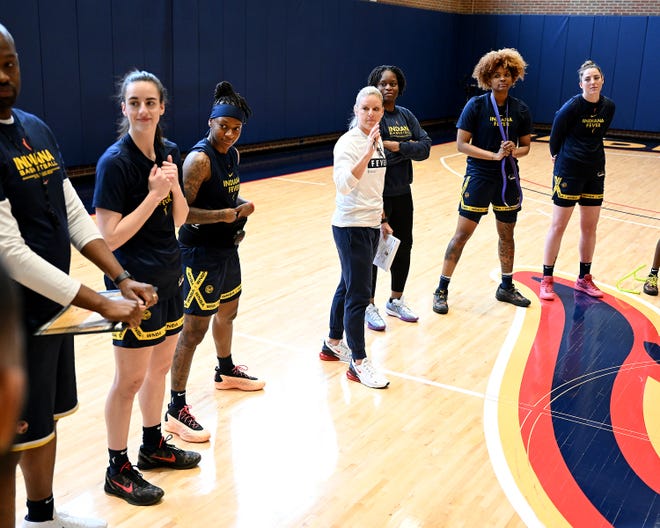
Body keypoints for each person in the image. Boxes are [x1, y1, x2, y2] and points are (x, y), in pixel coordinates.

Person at [0, 24, 153, 528]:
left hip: (49, 312)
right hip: (8, 326)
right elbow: (10, 253)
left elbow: (70, 212)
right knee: (8, 436)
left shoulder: (34, 128)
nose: (4, 75)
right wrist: (99, 301)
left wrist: (119, 276)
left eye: (9, 62)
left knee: (41, 422)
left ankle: (41, 516)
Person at [93, 70, 200, 507]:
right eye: (134, 102)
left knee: (158, 370)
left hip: (170, 277)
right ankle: (116, 468)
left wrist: (171, 188)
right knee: (129, 379)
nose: (142, 110)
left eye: (150, 102)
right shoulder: (114, 163)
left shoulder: (170, 153)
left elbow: (179, 219)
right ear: (124, 108)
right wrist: (153, 195)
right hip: (132, 287)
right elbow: (109, 237)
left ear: (162, 107)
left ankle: (153, 444)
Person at [165, 81, 264, 444]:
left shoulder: (231, 156)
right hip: (198, 255)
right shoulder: (199, 159)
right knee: (193, 331)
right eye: (224, 126)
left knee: (229, 311)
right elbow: (181, 212)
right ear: (210, 122)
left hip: (227, 249)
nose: (230, 134)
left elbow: (228, 192)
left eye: (236, 129)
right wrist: (224, 215)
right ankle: (176, 407)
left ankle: (225, 371)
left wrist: (240, 206)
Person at [432, 48, 532, 315]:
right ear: (487, 78)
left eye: (508, 75)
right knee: (462, 235)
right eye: (497, 75)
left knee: (507, 235)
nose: (503, 79)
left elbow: (526, 148)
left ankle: (506, 286)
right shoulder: (475, 105)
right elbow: (461, 144)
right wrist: (492, 155)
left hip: (507, 178)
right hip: (479, 177)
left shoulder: (520, 109)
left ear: (514, 77)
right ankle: (441, 289)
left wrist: (513, 150)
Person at [320, 86, 390, 389]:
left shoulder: (377, 141)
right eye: (365, 109)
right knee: (360, 294)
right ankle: (358, 363)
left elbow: (377, 185)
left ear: (382, 111)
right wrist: (367, 152)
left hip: (371, 224)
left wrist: (383, 219)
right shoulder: (348, 144)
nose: (370, 114)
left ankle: (333, 343)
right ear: (355, 109)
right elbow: (344, 186)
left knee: (347, 285)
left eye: (375, 109)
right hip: (350, 227)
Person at [539, 60, 616, 300]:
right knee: (558, 225)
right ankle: (546, 279)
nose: (592, 82)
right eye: (588, 79)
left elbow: (597, 135)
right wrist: (557, 158)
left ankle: (584, 278)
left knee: (589, 227)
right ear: (580, 83)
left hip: (594, 172)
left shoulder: (609, 107)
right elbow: (556, 136)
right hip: (568, 171)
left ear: (602, 80)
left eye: (596, 78)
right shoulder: (571, 107)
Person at [363, 65, 431, 331]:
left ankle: (395, 300)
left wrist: (398, 146)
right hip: (377, 195)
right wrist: (405, 151)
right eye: (383, 83)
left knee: (404, 246)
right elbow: (378, 156)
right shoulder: (373, 117)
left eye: (392, 83)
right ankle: (368, 304)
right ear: (375, 86)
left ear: (399, 86)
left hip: (403, 191)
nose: (388, 87)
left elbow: (425, 147)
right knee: (372, 250)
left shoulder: (406, 116)